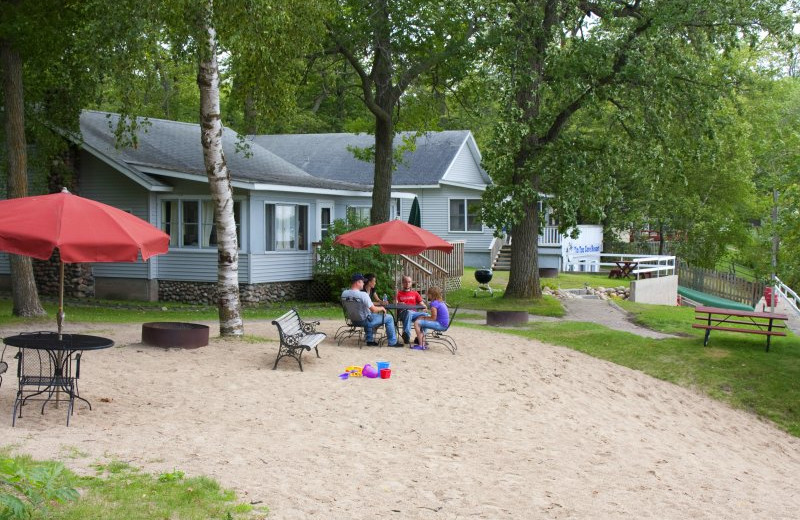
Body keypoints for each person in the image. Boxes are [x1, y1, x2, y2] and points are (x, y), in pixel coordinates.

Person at [341, 273, 402, 347]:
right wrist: (382, 308)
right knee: (389, 318)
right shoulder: (363, 295)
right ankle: (392, 342)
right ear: (358, 282)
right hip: (365, 321)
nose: (364, 283)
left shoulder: (344, 293)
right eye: (362, 281)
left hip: (353, 320)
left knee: (368, 315)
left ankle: (369, 340)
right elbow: (373, 309)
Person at [395, 275, 428, 344]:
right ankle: (406, 335)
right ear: (403, 283)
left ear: (411, 283)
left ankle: (421, 337)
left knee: (426, 315)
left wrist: (425, 307)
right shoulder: (399, 293)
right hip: (403, 313)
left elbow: (421, 303)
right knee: (408, 313)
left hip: (414, 313)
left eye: (409, 282)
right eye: (406, 282)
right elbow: (395, 303)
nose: (407, 284)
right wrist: (399, 303)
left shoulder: (415, 293)